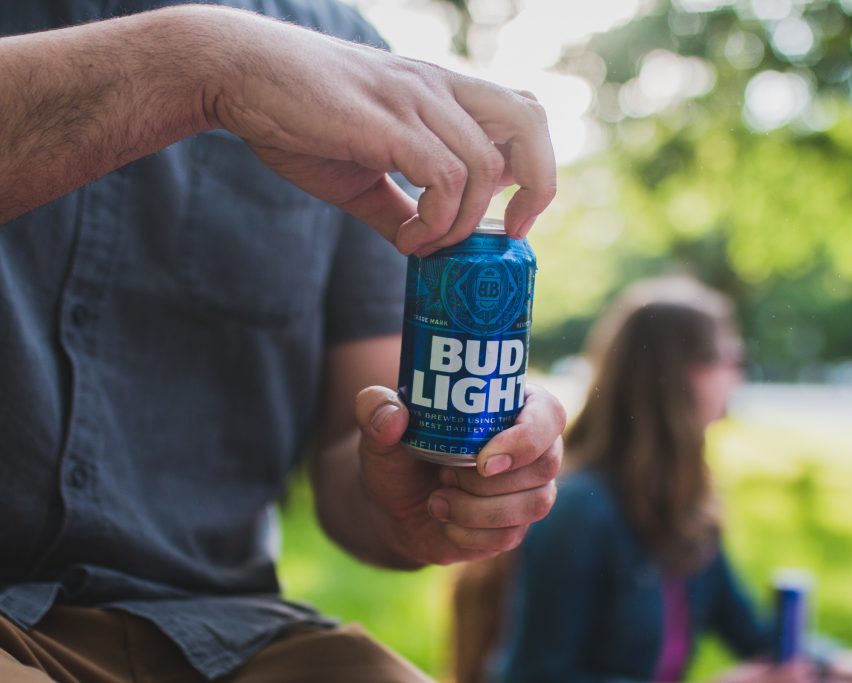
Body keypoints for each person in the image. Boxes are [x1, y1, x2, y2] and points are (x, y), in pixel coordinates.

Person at [0, 2, 563, 682]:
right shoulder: (306, 58)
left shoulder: (349, 54)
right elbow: (208, 61)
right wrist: (201, 66)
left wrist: (419, 497)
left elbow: (352, 448)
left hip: (223, 632)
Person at [452, 277, 852, 683]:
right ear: (682, 376)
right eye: (731, 359)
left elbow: (748, 629)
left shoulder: (683, 504)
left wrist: (839, 666)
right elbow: (536, 677)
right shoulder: (578, 510)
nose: (738, 376)